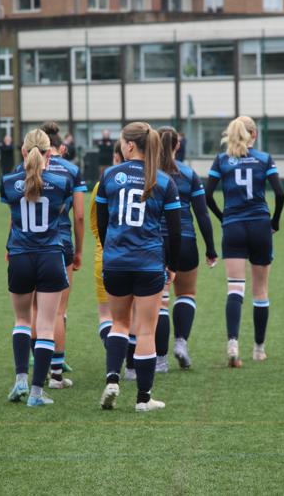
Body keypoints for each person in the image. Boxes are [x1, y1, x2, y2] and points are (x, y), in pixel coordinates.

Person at [95, 122, 181, 412]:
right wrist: (172, 264)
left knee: (119, 323)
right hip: (148, 261)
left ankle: (112, 380)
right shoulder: (164, 181)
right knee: (145, 330)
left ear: (129, 146)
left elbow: (103, 222)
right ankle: (144, 399)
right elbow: (174, 230)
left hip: (116, 260)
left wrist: (111, 251)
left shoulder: (109, 176)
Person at [205, 116, 284, 368]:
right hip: (260, 226)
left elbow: (207, 195)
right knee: (260, 290)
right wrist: (275, 222)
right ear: (254, 134)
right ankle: (259, 349)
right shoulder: (263, 158)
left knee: (235, 288)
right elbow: (280, 193)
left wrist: (223, 218)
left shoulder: (221, 160)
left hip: (234, 228)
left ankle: (232, 343)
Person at [1, 128, 73, 407]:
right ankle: (35, 393)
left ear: (23, 151)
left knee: (21, 321)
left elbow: (13, 215)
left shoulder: (8, 181)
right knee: (44, 327)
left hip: (19, 255)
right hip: (50, 257)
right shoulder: (60, 181)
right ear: (48, 153)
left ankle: (20, 379)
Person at [156, 127, 217, 371]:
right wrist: (211, 248)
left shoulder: (150, 173)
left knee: (161, 301)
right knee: (187, 294)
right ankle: (181, 342)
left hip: (155, 241)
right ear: (177, 146)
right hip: (186, 241)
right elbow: (202, 214)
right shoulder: (189, 174)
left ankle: (160, 359)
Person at [39, 121, 86, 389]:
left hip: (27, 244)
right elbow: (79, 215)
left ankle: (36, 370)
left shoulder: (23, 169)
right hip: (60, 242)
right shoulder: (71, 170)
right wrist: (79, 250)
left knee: (35, 310)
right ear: (61, 147)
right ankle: (56, 374)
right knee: (57, 311)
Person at [90, 141, 124, 347]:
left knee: (106, 313)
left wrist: (104, 244)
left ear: (116, 158)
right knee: (132, 314)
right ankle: (130, 362)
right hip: (137, 254)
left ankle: (113, 353)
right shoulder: (146, 181)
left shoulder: (101, 184)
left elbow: (94, 222)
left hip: (105, 255)